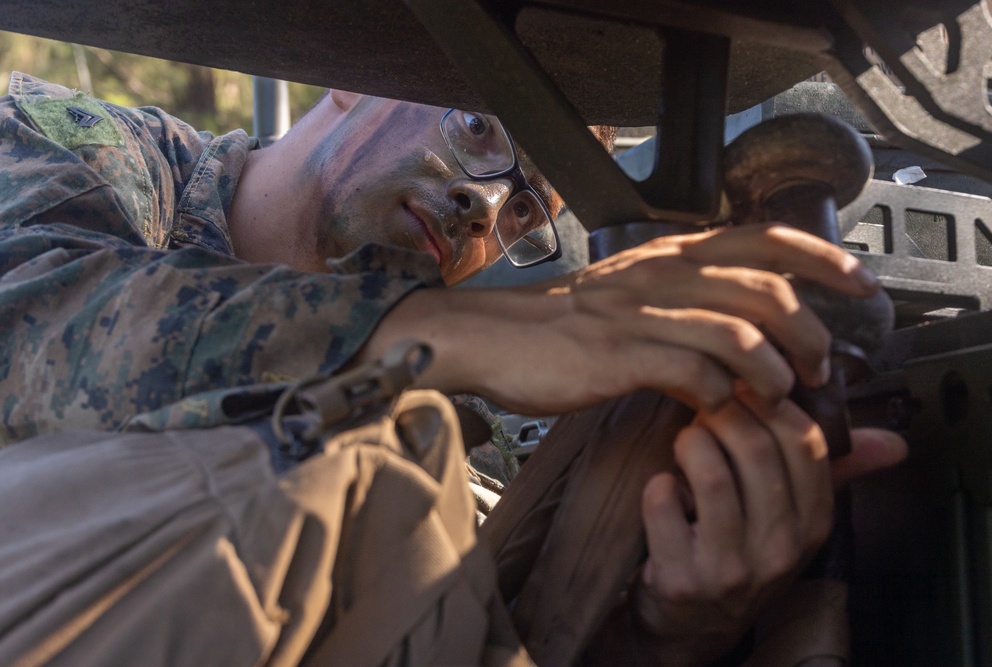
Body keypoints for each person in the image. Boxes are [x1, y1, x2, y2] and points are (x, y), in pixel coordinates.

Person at [0, 73, 906, 664]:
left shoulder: (447, 431)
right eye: (477, 129)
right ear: (352, 83)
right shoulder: (85, 154)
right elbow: (30, 323)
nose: (487, 207)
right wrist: (456, 331)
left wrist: (668, 624)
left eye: (524, 218)